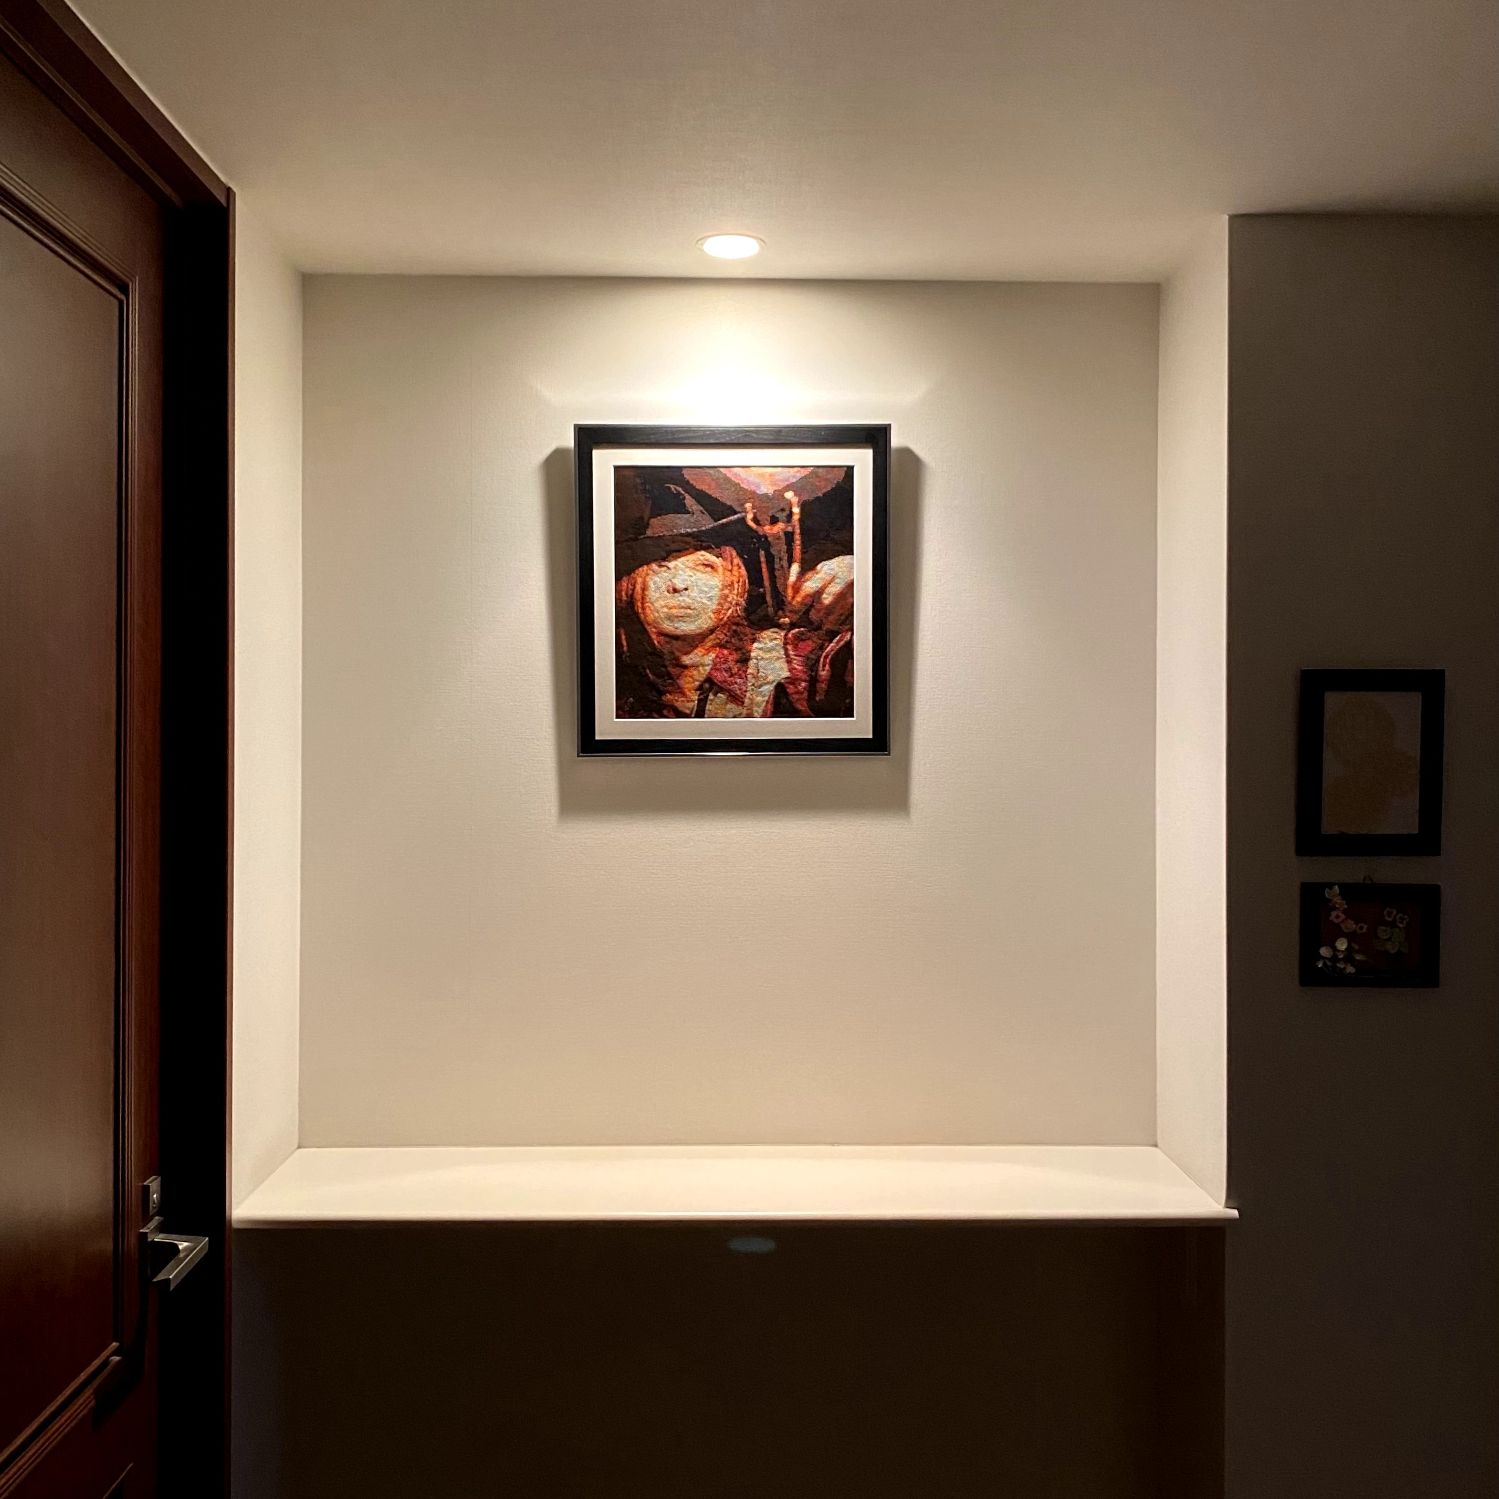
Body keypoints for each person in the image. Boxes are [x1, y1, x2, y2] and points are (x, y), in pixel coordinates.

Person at [615, 543, 854, 719]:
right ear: (631, 587)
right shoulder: (613, 682)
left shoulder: (787, 659)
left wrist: (864, 579)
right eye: (659, 568)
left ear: (733, 583)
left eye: (703, 566)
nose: (678, 584)